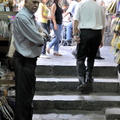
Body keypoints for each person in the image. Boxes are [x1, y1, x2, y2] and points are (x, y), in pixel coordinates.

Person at [12, 0, 46, 119]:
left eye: (37, 2)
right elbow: (40, 40)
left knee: (27, 97)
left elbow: (43, 33)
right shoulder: (22, 18)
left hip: (29, 62)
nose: (36, 5)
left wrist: (40, 35)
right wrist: (39, 36)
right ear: (26, 2)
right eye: (33, 2)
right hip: (23, 61)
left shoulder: (30, 17)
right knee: (23, 99)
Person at [73, 0, 105, 90]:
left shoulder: (81, 4)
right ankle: (89, 77)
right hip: (96, 34)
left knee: (80, 58)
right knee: (91, 57)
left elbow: (75, 20)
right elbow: (103, 26)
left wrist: (74, 34)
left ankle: (82, 81)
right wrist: (102, 39)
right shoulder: (100, 7)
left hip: (85, 33)